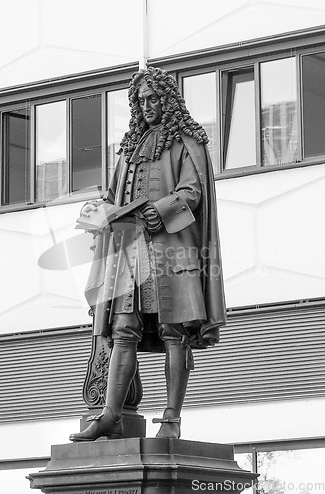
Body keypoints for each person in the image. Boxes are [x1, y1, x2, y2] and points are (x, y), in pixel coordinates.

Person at [70, 66, 226, 442]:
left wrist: (163, 208)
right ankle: (110, 415)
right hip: (129, 252)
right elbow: (113, 197)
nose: (146, 105)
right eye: (140, 101)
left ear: (167, 100)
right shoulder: (128, 150)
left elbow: (193, 191)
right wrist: (97, 212)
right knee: (123, 329)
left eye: (152, 98)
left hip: (171, 250)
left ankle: (172, 418)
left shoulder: (187, 141)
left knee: (175, 331)